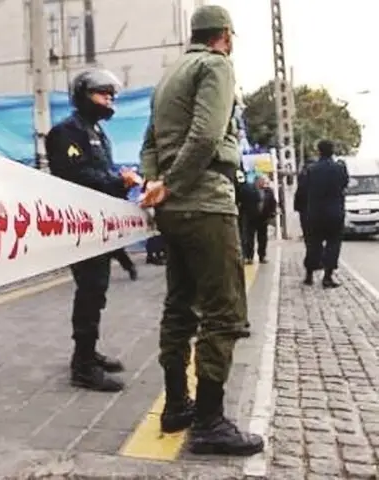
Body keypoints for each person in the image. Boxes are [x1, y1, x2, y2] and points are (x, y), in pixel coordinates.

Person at [138, 5, 263, 456]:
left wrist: (156, 184)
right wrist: (173, 183)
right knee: (224, 313)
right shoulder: (216, 66)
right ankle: (210, 422)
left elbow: (149, 143)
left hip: (172, 211)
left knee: (179, 308)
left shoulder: (168, 78)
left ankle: (177, 405)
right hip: (206, 202)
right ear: (225, 35)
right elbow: (207, 137)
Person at [45, 68, 140, 392]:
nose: (109, 100)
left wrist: (120, 178)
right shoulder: (66, 132)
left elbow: (101, 171)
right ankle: (83, 366)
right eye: (102, 94)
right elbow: (75, 176)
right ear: (83, 96)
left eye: (111, 95)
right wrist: (118, 180)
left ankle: (87, 351)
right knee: (89, 290)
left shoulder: (96, 131)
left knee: (96, 291)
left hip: (99, 224)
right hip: (79, 224)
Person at [303, 140, 348, 288]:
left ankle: (309, 274)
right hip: (335, 212)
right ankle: (327, 276)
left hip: (315, 212)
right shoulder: (340, 168)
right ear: (332, 151)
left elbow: (304, 189)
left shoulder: (311, 169)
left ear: (319, 151)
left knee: (313, 243)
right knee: (333, 244)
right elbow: (344, 184)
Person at [242, 175, 277, 264]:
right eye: (261, 181)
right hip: (251, 218)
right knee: (249, 239)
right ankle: (249, 256)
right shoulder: (249, 190)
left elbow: (273, 203)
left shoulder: (268, 191)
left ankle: (262, 256)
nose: (263, 182)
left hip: (263, 218)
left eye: (263, 181)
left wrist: (272, 213)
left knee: (262, 239)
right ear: (256, 181)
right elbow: (243, 202)